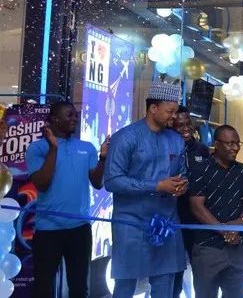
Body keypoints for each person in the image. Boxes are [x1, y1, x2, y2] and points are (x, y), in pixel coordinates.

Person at [104, 82, 188, 297]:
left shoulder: (176, 140)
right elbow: (112, 181)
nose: (174, 117)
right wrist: (157, 186)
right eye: (170, 111)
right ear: (153, 108)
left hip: (166, 221)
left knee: (164, 284)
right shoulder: (126, 137)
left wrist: (182, 185)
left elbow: (182, 173)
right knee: (125, 285)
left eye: (175, 111)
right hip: (131, 223)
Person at [28, 101, 109, 298]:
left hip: (80, 229)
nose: (75, 119)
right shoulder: (37, 148)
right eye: (69, 115)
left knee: (79, 288)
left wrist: (103, 158)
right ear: (54, 119)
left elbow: (97, 183)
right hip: (48, 229)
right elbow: (42, 184)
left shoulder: (87, 148)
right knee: (42, 286)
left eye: (75, 115)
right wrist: (53, 149)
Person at [188, 125, 243, 298]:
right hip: (208, 248)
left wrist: (240, 223)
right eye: (230, 143)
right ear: (216, 144)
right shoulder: (200, 169)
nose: (235, 148)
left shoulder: (242, 171)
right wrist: (224, 231)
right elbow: (197, 207)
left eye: (237, 143)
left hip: (237, 246)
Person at [172, 106, 211, 297]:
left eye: (188, 124)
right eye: (180, 125)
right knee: (175, 270)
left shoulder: (202, 150)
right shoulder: (167, 148)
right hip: (173, 218)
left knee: (201, 270)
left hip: (197, 219)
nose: (186, 128)